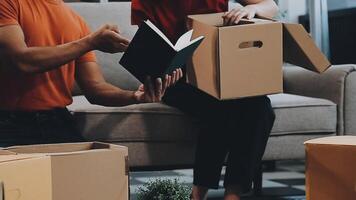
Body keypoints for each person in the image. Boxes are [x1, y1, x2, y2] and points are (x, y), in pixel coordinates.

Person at [132, 0, 278, 200]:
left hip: (218, 72)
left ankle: (233, 194)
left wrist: (252, 9)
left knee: (260, 105)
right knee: (219, 106)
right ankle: (198, 194)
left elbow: (270, 5)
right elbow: (147, 46)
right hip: (175, 78)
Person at [0, 0, 183, 147]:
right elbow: (21, 60)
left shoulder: (76, 20)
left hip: (58, 119)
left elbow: (96, 89)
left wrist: (135, 96)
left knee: (96, 182)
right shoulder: (8, 4)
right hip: (10, 121)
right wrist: (89, 42)